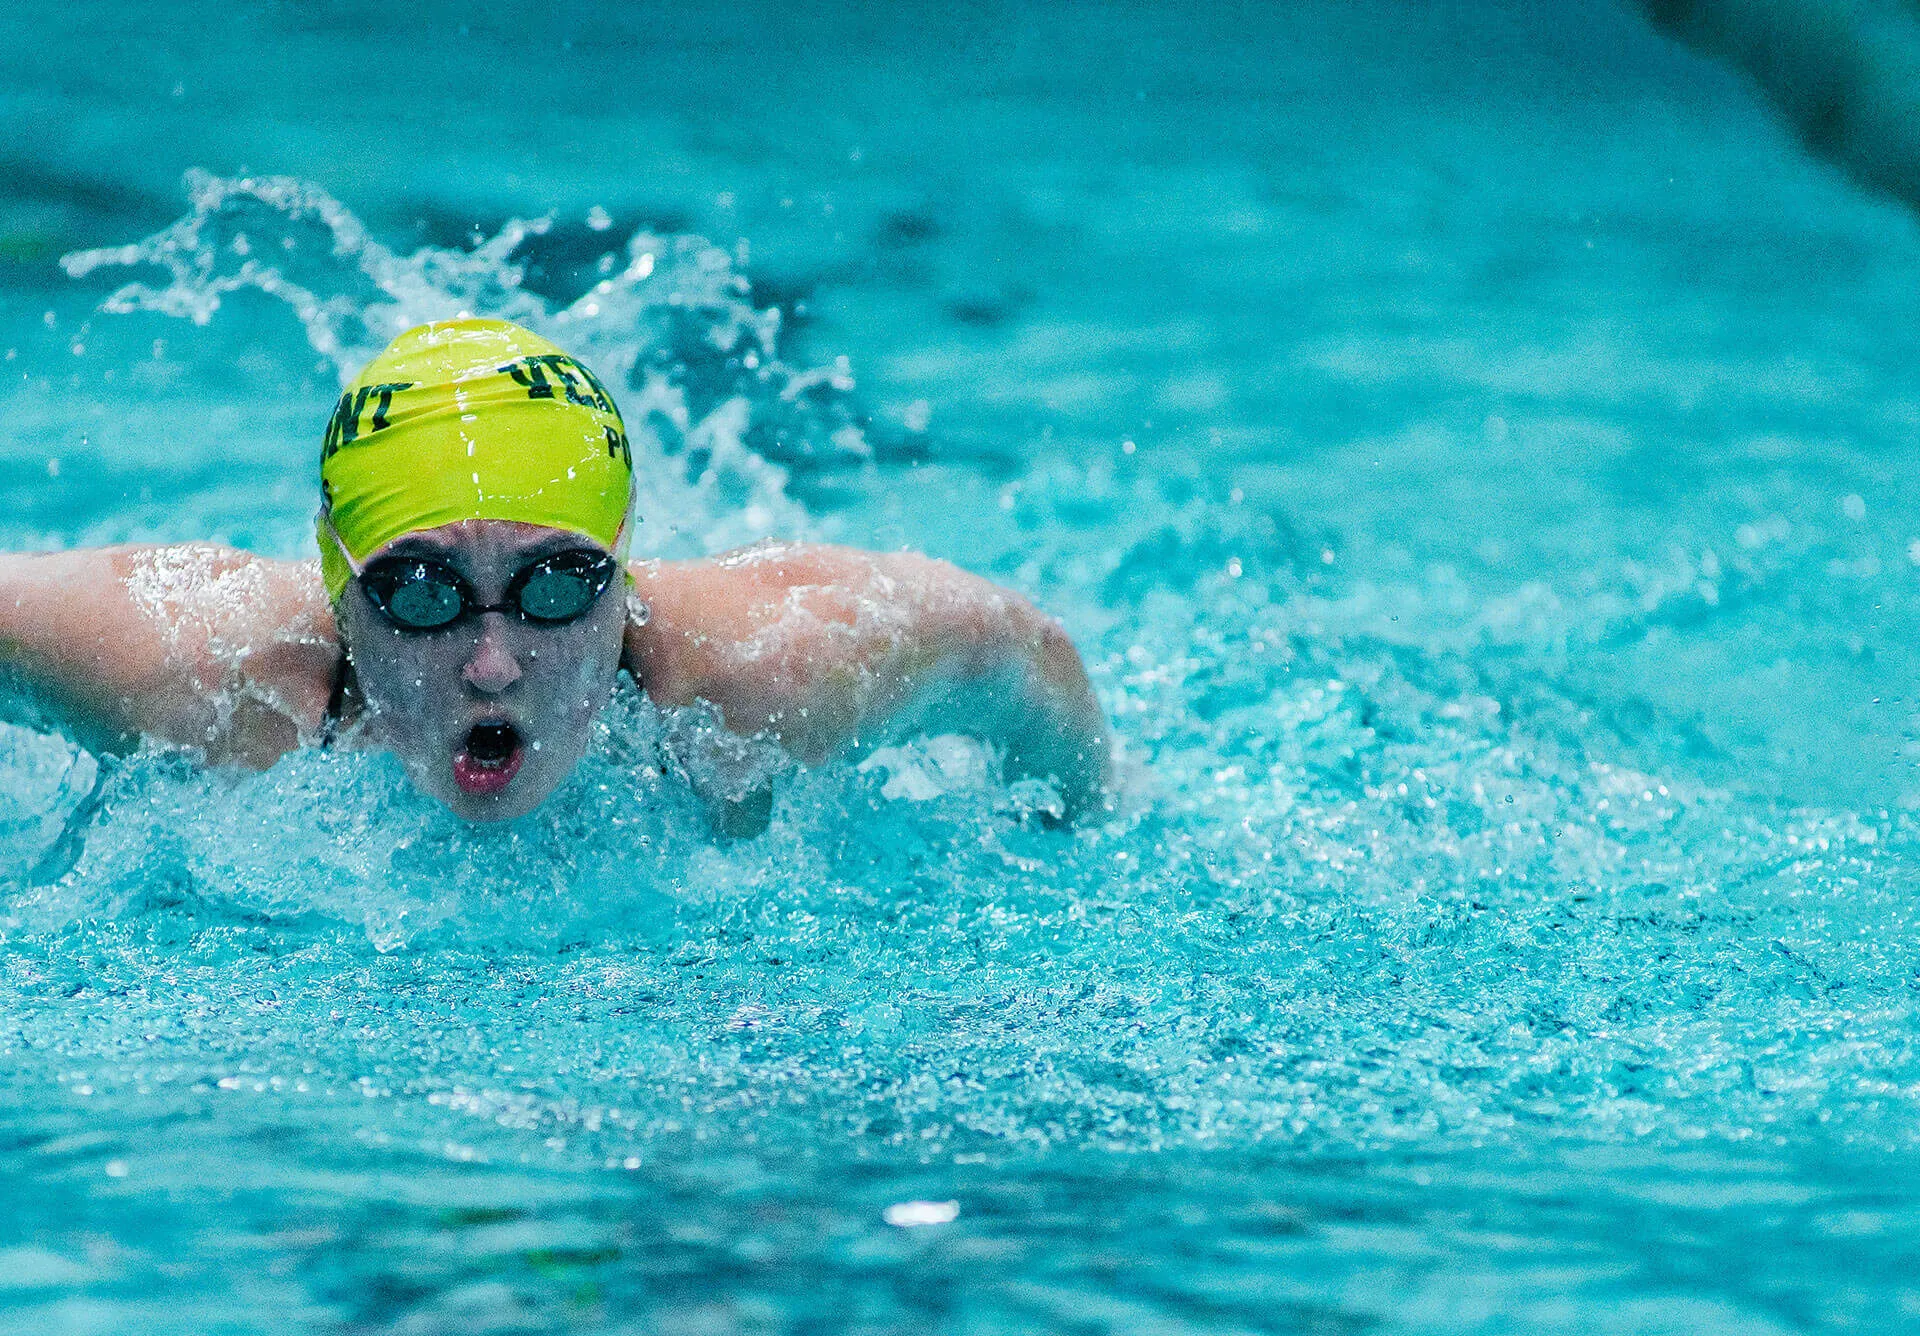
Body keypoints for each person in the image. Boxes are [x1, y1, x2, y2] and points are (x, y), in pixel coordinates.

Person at [0, 319, 1112, 831]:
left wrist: (1093, 816)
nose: (492, 660)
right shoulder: (212, 681)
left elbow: (1019, 650)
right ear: (337, 588)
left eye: (556, 587)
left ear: (625, 572)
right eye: (422, 591)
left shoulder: (761, 680)